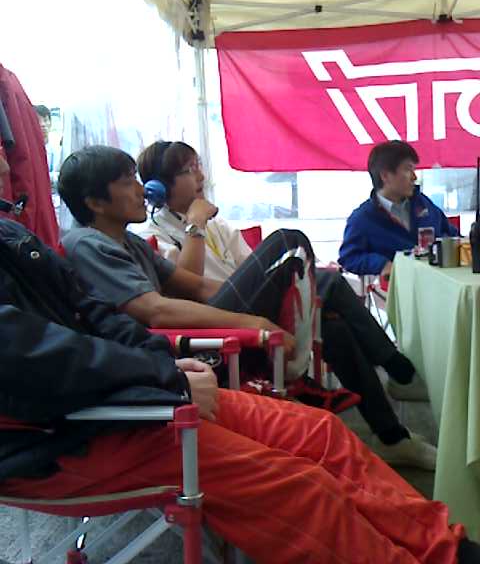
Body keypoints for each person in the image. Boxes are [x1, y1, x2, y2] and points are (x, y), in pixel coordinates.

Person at [0, 155, 479, 564]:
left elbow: (103, 316)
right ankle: (390, 378)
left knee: (321, 430)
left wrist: (167, 358)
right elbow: (134, 318)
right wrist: (231, 323)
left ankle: (446, 547)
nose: (8, 164)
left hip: (134, 382)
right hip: (67, 428)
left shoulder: (24, 237)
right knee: (296, 483)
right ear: (95, 201)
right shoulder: (92, 242)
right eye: (186, 171)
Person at [60, 144, 436, 470]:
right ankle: (378, 371)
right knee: (288, 241)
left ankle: (391, 435)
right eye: (128, 181)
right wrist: (252, 320)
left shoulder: (128, 243)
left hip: (212, 326)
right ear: (95, 202)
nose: (140, 189)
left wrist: (268, 300)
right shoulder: (89, 244)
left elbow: (200, 285)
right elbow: (156, 310)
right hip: (186, 355)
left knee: (332, 321)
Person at [339, 141, 459, 279]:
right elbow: (349, 258)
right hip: (400, 285)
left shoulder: (423, 203)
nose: (414, 177)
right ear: (385, 176)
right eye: (408, 169)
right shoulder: (363, 218)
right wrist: (382, 265)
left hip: (439, 279)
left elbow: (451, 234)